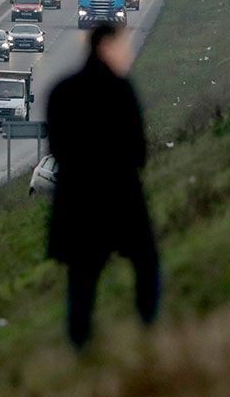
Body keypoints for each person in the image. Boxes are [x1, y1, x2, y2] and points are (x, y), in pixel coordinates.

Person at [46, 23, 159, 350]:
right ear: (106, 47)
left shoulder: (62, 91)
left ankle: (79, 344)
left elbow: (56, 148)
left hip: (77, 201)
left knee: (81, 278)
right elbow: (139, 150)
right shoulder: (121, 90)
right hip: (121, 197)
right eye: (124, 46)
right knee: (146, 261)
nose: (130, 53)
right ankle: (147, 329)